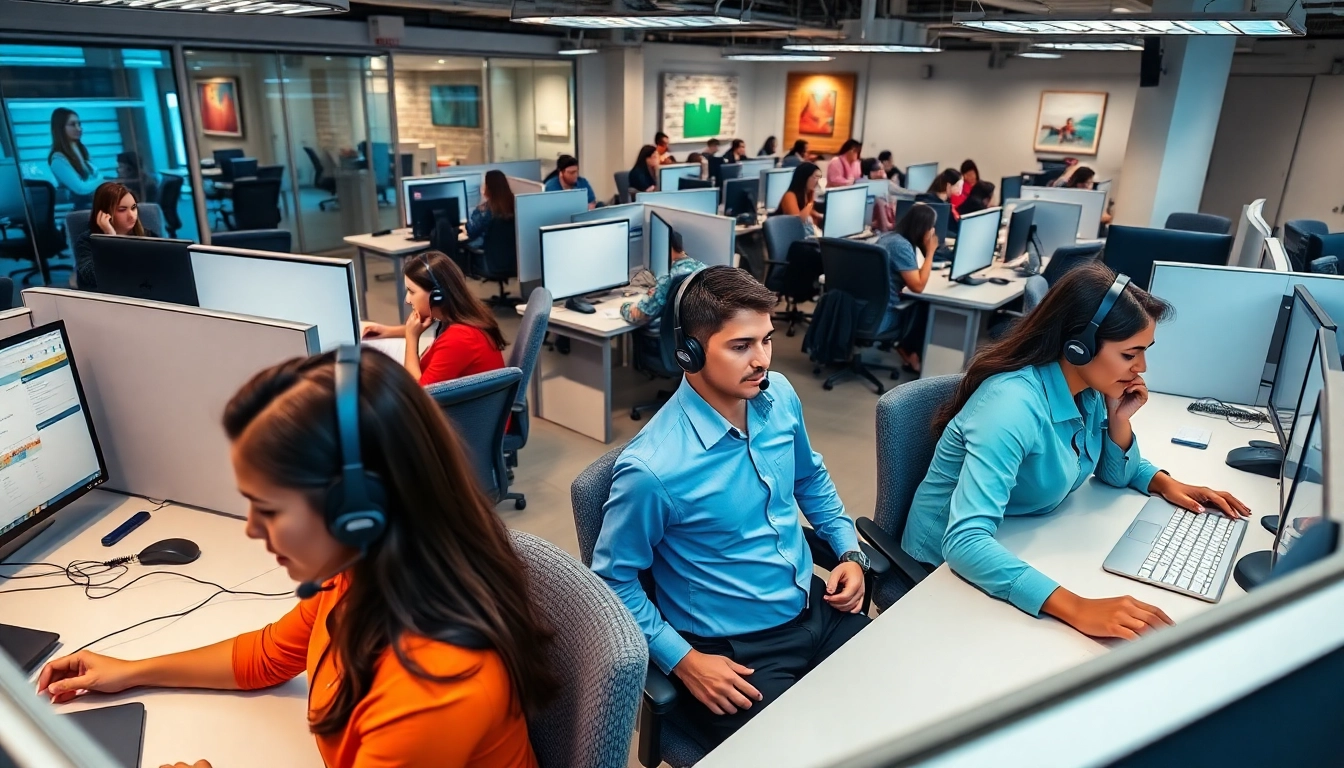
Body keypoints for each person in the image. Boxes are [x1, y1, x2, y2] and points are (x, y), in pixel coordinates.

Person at [37, 346, 559, 768]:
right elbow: (266, 657)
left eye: (269, 509)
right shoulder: (361, 574)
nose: (251, 529)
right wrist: (130, 671)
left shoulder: (436, 684)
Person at [593, 265, 870, 749]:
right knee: (817, 752)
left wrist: (848, 549)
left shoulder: (779, 396)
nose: (762, 360)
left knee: (906, 707)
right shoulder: (653, 469)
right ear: (690, 353)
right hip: (737, 654)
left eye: (766, 340)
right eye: (741, 346)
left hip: (815, 606)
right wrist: (682, 660)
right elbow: (612, 581)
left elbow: (809, 477)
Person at [902, 262, 1250, 640]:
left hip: (1019, 532)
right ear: (1079, 347)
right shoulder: (1012, 406)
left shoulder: (1086, 390)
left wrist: (1158, 475)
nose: (1142, 368)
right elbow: (964, 542)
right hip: (937, 572)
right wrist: (1078, 607)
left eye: (1145, 352)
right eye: (1130, 354)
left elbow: (1111, 473)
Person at [361, 251, 507, 387]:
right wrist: (387, 331)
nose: (407, 299)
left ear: (437, 296)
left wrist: (411, 339)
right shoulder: (463, 315)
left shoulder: (459, 338)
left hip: (464, 413)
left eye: (412, 291)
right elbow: (427, 325)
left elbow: (419, 395)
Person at [875, 204, 936, 373]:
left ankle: (906, 353)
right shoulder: (901, 246)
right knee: (924, 307)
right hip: (882, 316)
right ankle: (913, 359)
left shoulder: (889, 237)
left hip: (869, 309)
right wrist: (930, 252)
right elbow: (918, 286)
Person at [74, 182, 158, 291]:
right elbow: (95, 278)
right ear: (104, 213)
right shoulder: (85, 241)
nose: (132, 216)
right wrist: (110, 241)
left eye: (133, 208)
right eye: (122, 210)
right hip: (106, 302)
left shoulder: (147, 235)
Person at [620, 229, 707, 326]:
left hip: (666, 336)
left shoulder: (667, 279)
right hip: (696, 333)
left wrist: (624, 308)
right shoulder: (703, 267)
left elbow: (640, 314)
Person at [47, 108, 102, 203]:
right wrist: (102, 181)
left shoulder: (82, 151)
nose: (79, 128)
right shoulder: (58, 159)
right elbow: (80, 189)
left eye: (79, 124)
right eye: (73, 124)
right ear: (60, 128)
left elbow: (95, 175)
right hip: (79, 210)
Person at [465, 170, 517, 249]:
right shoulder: (516, 205)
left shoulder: (485, 211)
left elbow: (472, 233)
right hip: (513, 254)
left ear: (488, 188)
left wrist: (467, 219)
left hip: (490, 254)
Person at [778, 162, 823, 237]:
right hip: (794, 240)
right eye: (815, 177)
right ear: (804, 177)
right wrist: (810, 203)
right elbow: (797, 222)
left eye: (819, 178)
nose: (818, 182)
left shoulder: (806, 195)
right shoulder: (790, 196)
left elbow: (812, 215)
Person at [861, 158, 895, 232]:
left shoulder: (883, 186)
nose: (882, 172)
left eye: (882, 169)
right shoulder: (864, 187)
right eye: (879, 169)